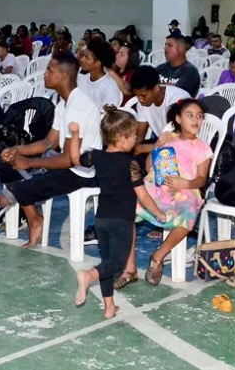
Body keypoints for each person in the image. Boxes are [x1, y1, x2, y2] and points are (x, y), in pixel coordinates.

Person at [0, 54, 102, 248]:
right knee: (4, 165)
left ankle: (33, 219)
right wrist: (16, 150)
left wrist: (30, 162)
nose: (45, 74)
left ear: (64, 76)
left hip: (80, 171)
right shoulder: (63, 104)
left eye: (50, 70)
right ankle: (33, 217)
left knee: (23, 187)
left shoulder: (78, 107)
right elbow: (48, 143)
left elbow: (69, 159)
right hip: (64, 162)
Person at [67, 108, 164, 317]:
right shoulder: (131, 163)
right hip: (122, 220)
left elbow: (74, 158)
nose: (136, 141)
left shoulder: (97, 156)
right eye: (134, 137)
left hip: (101, 219)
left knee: (108, 262)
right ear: (122, 138)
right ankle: (88, 276)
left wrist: (75, 134)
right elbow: (143, 195)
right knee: (118, 264)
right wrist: (158, 213)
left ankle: (109, 306)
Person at [128, 99, 213, 288]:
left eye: (199, 116)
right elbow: (149, 166)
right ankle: (129, 265)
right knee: (127, 206)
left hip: (185, 189)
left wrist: (186, 182)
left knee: (189, 213)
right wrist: (158, 144)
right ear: (178, 119)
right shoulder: (168, 139)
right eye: (190, 115)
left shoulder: (203, 148)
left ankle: (159, 256)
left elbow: (201, 179)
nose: (195, 120)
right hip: (156, 185)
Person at [130, 66, 189, 146]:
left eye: (144, 95)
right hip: (162, 143)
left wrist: (142, 149)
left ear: (156, 88)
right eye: (137, 96)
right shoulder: (143, 102)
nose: (140, 99)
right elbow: (140, 137)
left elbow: (179, 140)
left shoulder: (176, 99)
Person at [77, 39, 122, 109]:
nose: (82, 59)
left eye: (87, 57)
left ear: (98, 63)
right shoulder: (81, 79)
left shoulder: (109, 88)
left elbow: (105, 117)